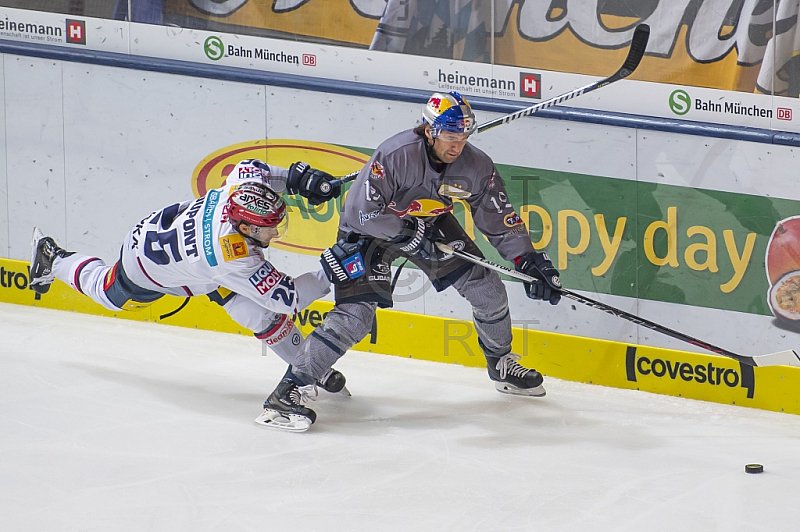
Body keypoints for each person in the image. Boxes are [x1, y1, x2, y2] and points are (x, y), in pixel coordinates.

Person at [280, 90, 562, 427]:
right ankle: (289, 389)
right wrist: (403, 232)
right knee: (356, 317)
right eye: (449, 135)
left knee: (488, 291)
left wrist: (527, 259)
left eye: (463, 135)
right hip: (371, 231)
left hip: (430, 224)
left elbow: (498, 217)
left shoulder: (476, 166)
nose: (457, 145)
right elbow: (361, 212)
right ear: (429, 130)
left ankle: (500, 363)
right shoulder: (395, 154)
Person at [29, 159, 345, 432]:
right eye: (268, 228)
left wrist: (298, 179)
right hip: (146, 269)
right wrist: (331, 271)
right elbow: (288, 298)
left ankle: (307, 369)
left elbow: (251, 167)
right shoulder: (229, 256)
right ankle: (52, 257)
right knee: (106, 291)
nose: (275, 233)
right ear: (245, 228)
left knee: (257, 315)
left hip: (162, 236)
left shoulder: (241, 188)